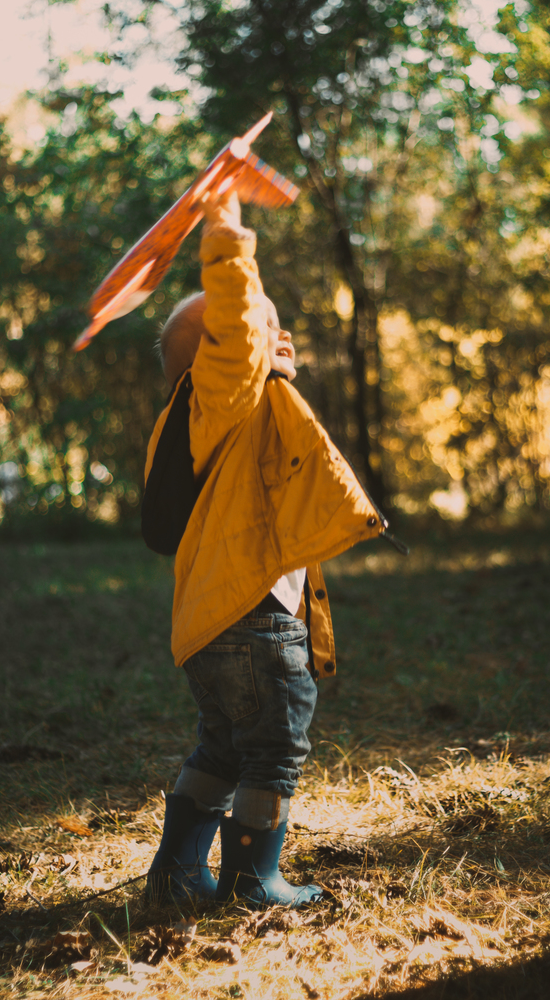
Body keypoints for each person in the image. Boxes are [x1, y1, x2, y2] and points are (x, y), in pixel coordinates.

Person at [144, 188, 391, 908]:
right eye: (258, 326)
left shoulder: (214, 420)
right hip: (253, 625)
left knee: (223, 748)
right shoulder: (220, 397)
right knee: (275, 751)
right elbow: (243, 330)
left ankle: (179, 874)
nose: (274, 334)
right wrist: (226, 232)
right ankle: (255, 880)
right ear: (220, 353)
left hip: (215, 627)